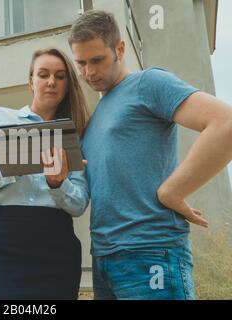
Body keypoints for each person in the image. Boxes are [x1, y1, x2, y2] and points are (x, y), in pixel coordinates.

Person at [68, 10, 232, 299]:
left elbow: (225, 123)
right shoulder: (95, 118)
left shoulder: (148, 84)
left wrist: (172, 191)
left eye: (97, 60)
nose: (88, 72)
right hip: (103, 257)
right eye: (80, 63)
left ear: (119, 49)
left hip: (151, 251)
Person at [0, 47, 90, 300]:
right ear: (30, 81)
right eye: (43, 74)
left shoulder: (74, 134)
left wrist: (58, 184)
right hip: (2, 243)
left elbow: (78, 205)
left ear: (67, 84)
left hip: (56, 245)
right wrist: (15, 165)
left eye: (60, 76)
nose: (51, 81)